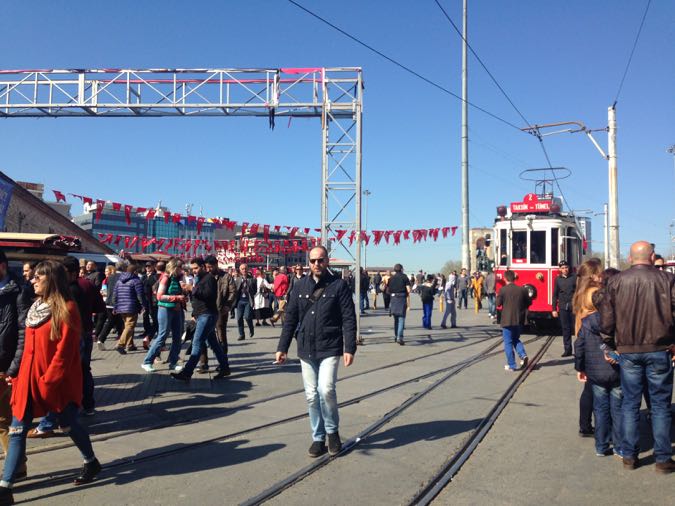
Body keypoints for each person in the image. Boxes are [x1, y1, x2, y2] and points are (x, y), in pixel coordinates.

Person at [0, 261, 101, 505]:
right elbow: (25, 345)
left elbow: (65, 353)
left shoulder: (67, 308)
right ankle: (5, 488)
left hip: (56, 381)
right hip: (27, 378)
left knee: (68, 424)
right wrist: (16, 372)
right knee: (17, 430)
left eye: (38, 278)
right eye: (33, 277)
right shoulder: (35, 306)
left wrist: (48, 381)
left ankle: (91, 461)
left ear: (52, 280)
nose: (32, 281)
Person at [600, 241, 675, 473]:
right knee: (661, 406)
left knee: (630, 404)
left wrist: (611, 344)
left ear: (630, 258)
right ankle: (662, 459)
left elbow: (607, 319)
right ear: (652, 257)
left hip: (628, 351)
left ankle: (630, 456)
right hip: (659, 349)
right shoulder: (668, 280)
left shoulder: (616, 282)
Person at [275, 246, 356, 458]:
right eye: (312, 261)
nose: (316, 264)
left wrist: (350, 348)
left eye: (320, 260)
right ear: (308, 263)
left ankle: (332, 433)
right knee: (311, 395)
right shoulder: (300, 285)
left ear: (327, 261)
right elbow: (290, 318)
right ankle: (318, 437)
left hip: (330, 346)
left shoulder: (339, 286)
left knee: (326, 389)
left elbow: (348, 317)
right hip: (306, 348)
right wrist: (282, 347)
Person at [574, 269, 623, 458]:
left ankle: (602, 446)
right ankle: (619, 446)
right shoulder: (619, 320)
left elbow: (579, 346)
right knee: (618, 409)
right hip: (616, 370)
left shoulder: (586, 322)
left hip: (595, 373)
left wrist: (580, 368)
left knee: (600, 409)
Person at [171, 258, 231, 381]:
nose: (194, 271)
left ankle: (187, 372)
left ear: (203, 267)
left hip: (207, 315)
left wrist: (191, 288)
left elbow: (207, 295)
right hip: (203, 314)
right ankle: (225, 368)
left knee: (197, 343)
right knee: (214, 344)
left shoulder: (209, 279)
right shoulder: (200, 279)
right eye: (192, 269)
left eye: (196, 268)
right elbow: (199, 298)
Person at [572, 259, 603, 438]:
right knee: (597, 389)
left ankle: (584, 424)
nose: (602, 276)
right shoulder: (595, 293)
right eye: (600, 272)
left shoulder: (580, 292)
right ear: (593, 275)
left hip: (582, 341)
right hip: (595, 342)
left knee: (589, 387)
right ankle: (598, 426)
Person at [141, 258, 186, 373]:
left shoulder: (179, 278)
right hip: (165, 308)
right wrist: (176, 298)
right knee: (163, 335)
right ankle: (147, 361)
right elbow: (160, 296)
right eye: (180, 267)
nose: (182, 269)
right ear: (174, 267)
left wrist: (184, 293)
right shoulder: (166, 278)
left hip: (177, 309)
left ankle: (173, 361)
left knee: (177, 336)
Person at [0, 251, 22, 475]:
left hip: (6, 362)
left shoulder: (19, 292)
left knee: (4, 420)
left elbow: (24, 333)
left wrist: (15, 364)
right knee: (4, 419)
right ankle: (18, 464)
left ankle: (15, 465)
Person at [495, 270, 530, 371]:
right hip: (519, 319)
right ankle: (523, 355)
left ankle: (512, 365)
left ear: (505, 278)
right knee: (516, 339)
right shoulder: (522, 290)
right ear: (514, 278)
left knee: (508, 342)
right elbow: (528, 303)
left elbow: (498, 304)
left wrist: (498, 296)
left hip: (507, 320)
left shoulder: (503, 290)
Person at [206, 256, 236, 370]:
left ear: (216, 265)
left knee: (221, 336)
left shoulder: (226, 277)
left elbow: (233, 291)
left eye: (210, 267)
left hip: (220, 310)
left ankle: (223, 361)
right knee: (204, 337)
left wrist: (228, 305)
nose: (209, 269)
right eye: (207, 267)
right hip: (206, 311)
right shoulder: (205, 276)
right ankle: (204, 363)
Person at [113, 264, 148, 354]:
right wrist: (144, 305)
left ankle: (130, 344)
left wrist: (115, 306)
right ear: (135, 271)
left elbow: (114, 295)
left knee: (127, 326)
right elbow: (140, 295)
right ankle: (120, 344)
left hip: (121, 307)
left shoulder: (119, 281)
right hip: (131, 307)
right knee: (130, 326)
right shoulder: (136, 281)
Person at [95, 262, 124, 350]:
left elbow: (103, 292)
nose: (106, 272)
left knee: (118, 321)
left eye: (107, 270)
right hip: (116, 303)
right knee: (111, 321)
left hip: (108, 303)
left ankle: (121, 337)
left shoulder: (107, 279)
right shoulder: (120, 278)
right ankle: (101, 338)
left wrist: (105, 297)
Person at [552, 260, 577, 357]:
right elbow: (555, 295)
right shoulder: (557, 279)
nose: (565, 269)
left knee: (576, 328)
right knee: (565, 329)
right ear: (559, 269)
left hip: (573, 306)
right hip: (562, 307)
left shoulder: (574, 277)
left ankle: (578, 349)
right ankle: (567, 349)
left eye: (566, 267)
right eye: (562, 268)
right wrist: (554, 309)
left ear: (568, 268)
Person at [388, 264, 411, 345]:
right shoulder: (404, 277)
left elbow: (388, 290)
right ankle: (399, 337)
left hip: (393, 299)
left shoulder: (391, 278)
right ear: (401, 269)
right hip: (401, 298)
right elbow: (408, 289)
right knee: (401, 319)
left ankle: (396, 336)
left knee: (396, 319)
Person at [234, 264, 255, 340]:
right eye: (242, 269)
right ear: (240, 270)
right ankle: (241, 334)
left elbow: (254, 290)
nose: (244, 270)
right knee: (239, 318)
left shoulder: (252, 279)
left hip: (248, 301)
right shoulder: (238, 279)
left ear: (248, 269)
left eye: (245, 268)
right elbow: (235, 290)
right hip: (240, 301)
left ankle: (251, 328)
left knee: (247, 317)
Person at [141, 262, 158, 349]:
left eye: (149, 266)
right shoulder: (143, 276)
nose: (147, 267)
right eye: (146, 266)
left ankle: (150, 335)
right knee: (145, 316)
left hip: (153, 301)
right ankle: (147, 331)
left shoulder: (155, 276)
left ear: (153, 267)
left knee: (155, 318)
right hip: (145, 300)